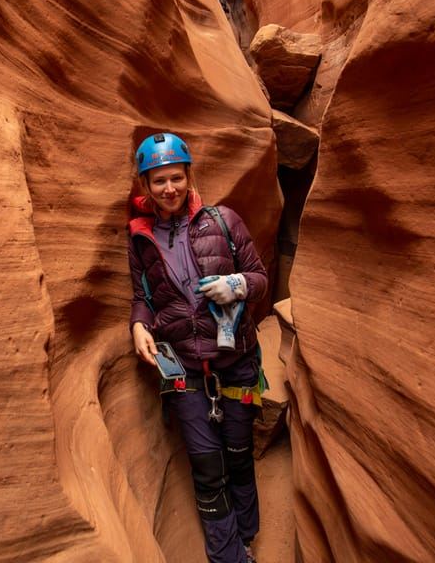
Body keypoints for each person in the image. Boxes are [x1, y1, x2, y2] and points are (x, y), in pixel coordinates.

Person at [127, 132, 268, 563]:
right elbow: (143, 296)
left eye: (175, 178)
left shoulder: (223, 221)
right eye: (158, 181)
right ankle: (230, 558)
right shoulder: (140, 238)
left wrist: (237, 284)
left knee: (239, 456)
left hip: (237, 363)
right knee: (207, 470)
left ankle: (247, 534)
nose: (168, 189)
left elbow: (260, 278)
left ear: (188, 176)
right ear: (145, 186)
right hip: (184, 369)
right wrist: (139, 325)